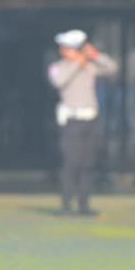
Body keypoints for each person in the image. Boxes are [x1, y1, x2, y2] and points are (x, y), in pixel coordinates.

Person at [48, 29, 118, 216]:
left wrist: (94, 55)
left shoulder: (89, 66)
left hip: (90, 120)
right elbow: (58, 82)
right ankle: (66, 204)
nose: (73, 53)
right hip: (71, 121)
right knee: (71, 163)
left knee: (88, 163)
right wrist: (76, 65)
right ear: (63, 51)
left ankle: (83, 205)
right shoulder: (58, 67)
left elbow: (111, 68)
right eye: (69, 49)